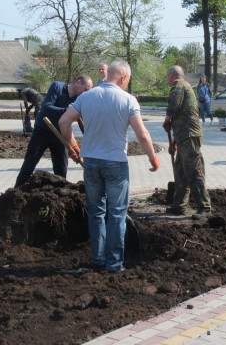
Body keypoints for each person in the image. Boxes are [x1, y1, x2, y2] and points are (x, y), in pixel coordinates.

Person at [59, 61, 160, 272]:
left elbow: (63, 122)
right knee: (116, 214)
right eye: (128, 80)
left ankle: (97, 259)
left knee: (96, 213)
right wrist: (153, 158)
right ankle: (114, 263)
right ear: (123, 77)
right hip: (115, 163)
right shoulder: (128, 100)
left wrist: (72, 146)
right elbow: (142, 135)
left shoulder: (86, 96)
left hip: (91, 162)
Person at [14, 75, 93, 187]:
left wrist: (75, 147)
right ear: (78, 82)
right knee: (29, 163)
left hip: (59, 135)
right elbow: (47, 107)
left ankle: (61, 193)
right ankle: (17, 190)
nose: (86, 93)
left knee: (61, 168)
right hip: (42, 131)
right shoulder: (57, 87)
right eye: (86, 89)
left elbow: (78, 122)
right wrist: (68, 111)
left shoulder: (78, 99)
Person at [162, 65, 212, 216]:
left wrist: (167, 120)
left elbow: (174, 107)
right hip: (184, 137)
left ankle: (205, 207)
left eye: (167, 77)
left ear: (171, 76)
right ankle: (179, 206)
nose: (167, 79)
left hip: (189, 137)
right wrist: (174, 142)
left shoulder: (178, 85)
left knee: (194, 172)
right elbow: (183, 118)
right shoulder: (186, 86)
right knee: (181, 173)